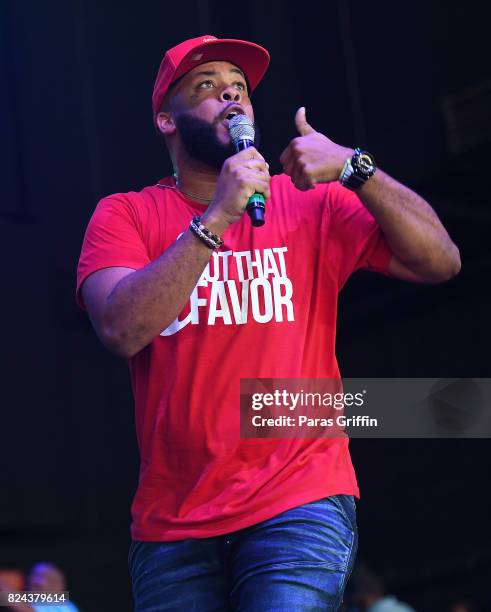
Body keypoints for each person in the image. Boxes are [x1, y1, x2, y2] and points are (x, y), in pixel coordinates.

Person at [75, 34, 460, 611]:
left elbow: (440, 261)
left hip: (297, 496)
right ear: (166, 121)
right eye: (205, 87)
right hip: (173, 525)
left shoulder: (312, 203)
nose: (230, 92)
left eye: (239, 86)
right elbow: (120, 329)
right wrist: (218, 216)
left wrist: (357, 169)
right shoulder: (126, 214)